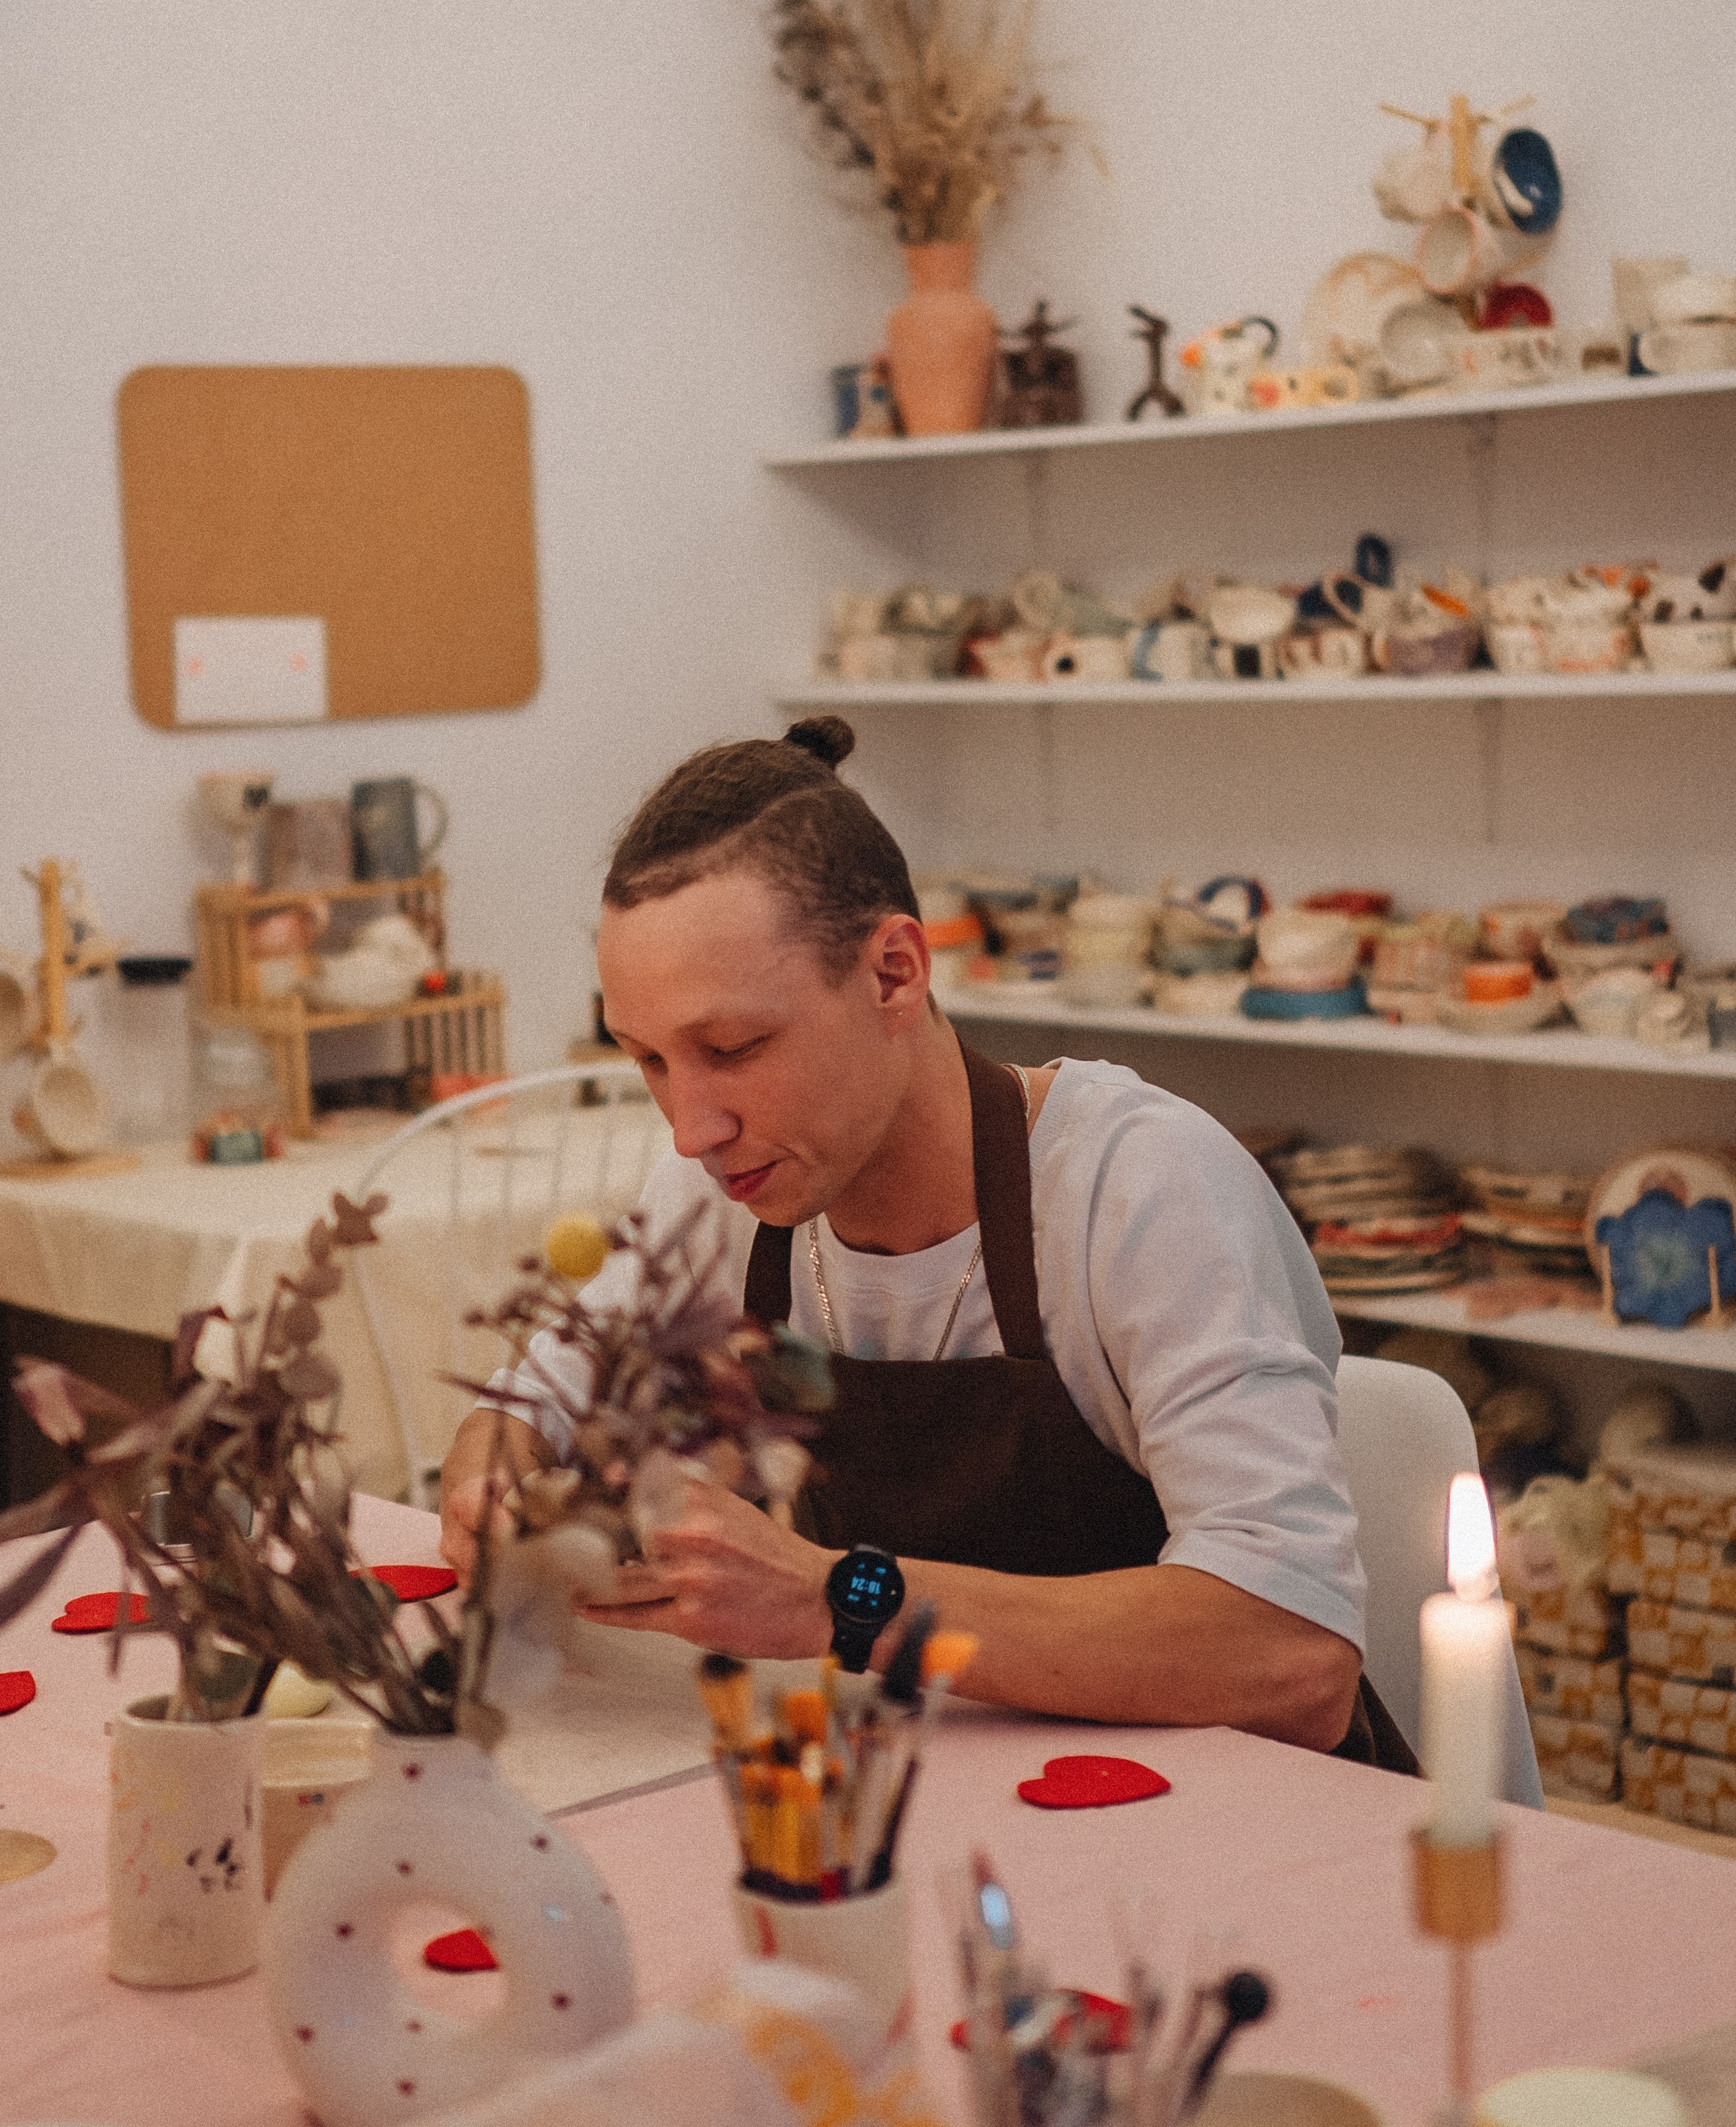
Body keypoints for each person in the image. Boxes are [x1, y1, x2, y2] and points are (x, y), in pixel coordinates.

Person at [440, 717, 1414, 1766]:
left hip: (1245, 1819)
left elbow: (1292, 1658)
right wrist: (496, 1478)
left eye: (731, 1049)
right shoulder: (715, 1190)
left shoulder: (1138, 1190)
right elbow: (528, 1405)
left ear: (896, 973)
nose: (691, 1127)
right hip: (955, 1783)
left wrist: (839, 1600)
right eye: (650, 1061)